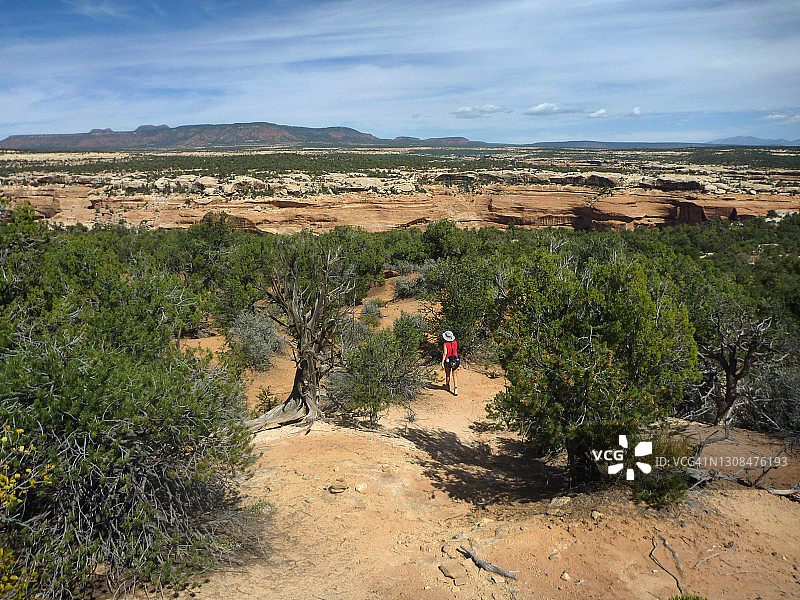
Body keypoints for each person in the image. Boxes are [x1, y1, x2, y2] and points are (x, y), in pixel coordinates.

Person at [441, 330, 460, 395]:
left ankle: (447, 386)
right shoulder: (455, 342)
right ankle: (455, 389)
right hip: (455, 359)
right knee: (455, 375)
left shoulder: (445, 344)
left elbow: (445, 353)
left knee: (448, 374)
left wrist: (442, 362)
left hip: (448, 360)